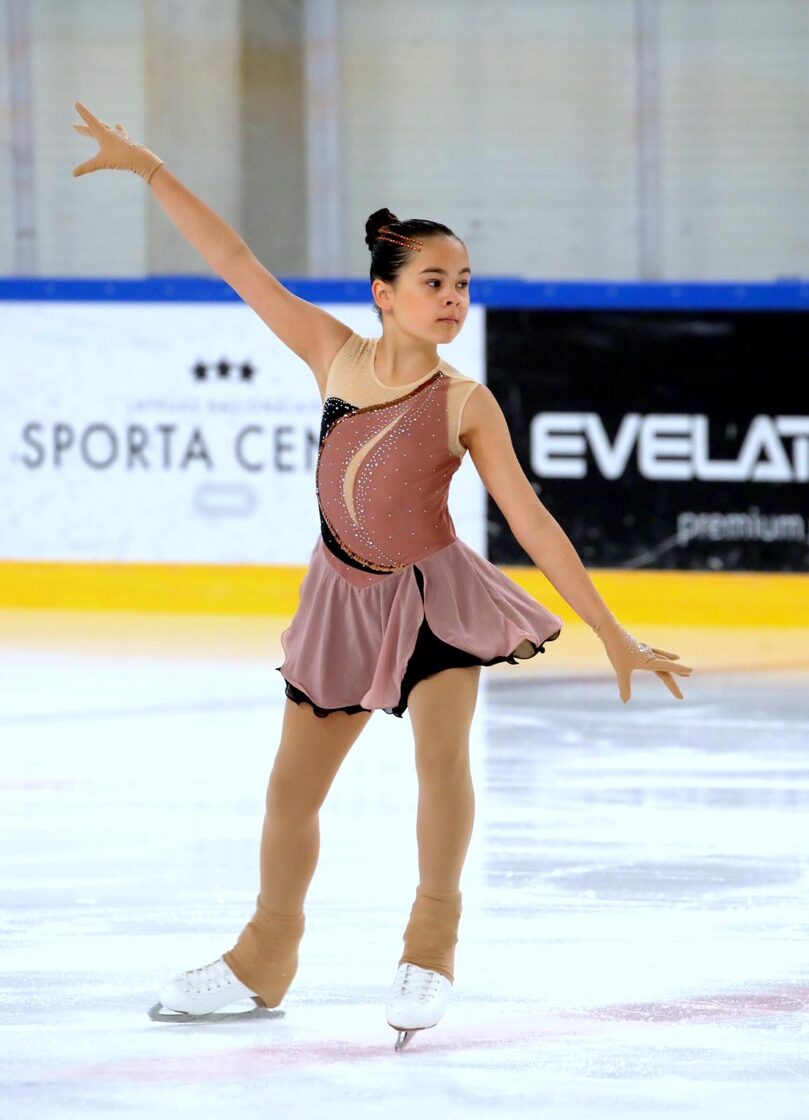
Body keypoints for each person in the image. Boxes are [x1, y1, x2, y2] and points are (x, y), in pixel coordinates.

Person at [71, 101, 694, 1050]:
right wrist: (148, 166)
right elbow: (236, 262)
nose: (452, 298)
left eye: (463, 283)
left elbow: (531, 520)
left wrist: (611, 632)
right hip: (339, 599)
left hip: (434, 600)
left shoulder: (464, 401)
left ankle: (429, 949)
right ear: (384, 293)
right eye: (433, 281)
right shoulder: (330, 352)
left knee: (439, 766)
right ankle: (263, 957)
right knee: (291, 793)